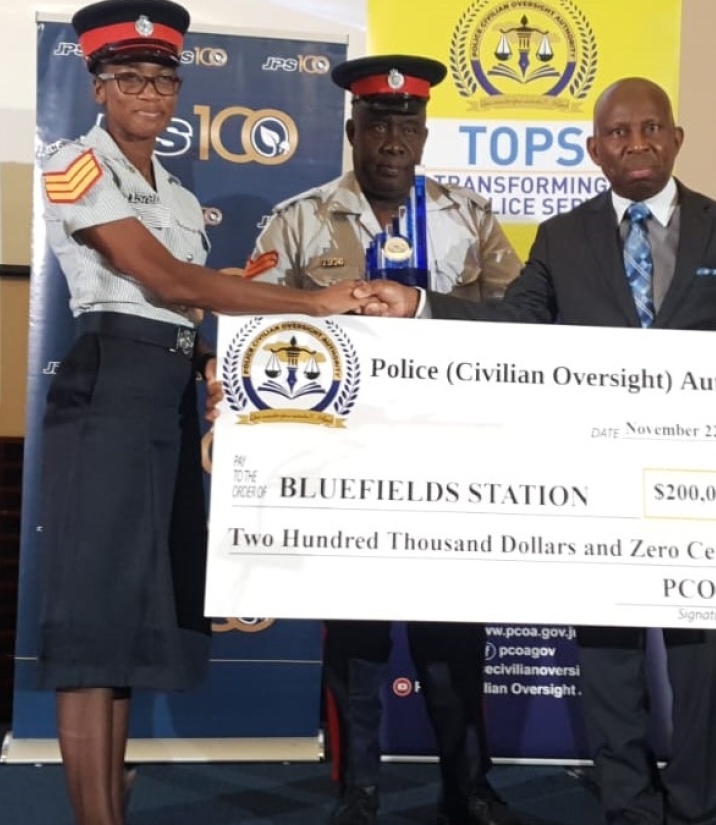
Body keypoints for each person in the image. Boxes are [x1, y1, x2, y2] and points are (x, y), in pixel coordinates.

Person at [363, 77, 716, 825]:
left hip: (703, 483)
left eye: (651, 128)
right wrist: (420, 304)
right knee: (609, 660)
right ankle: (628, 806)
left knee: (703, 657)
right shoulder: (563, 236)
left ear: (676, 138)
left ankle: (698, 804)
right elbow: (515, 324)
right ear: (595, 149)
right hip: (598, 484)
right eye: (619, 132)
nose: (637, 143)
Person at [37, 3, 371, 824]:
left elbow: (184, 307)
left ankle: (107, 798)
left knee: (128, 618)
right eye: (130, 78)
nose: (150, 92)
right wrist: (314, 301)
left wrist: (212, 342)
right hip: (107, 393)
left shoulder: (180, 194)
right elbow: (171, 283)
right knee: (92, 628)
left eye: (163, 78)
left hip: (163, 395)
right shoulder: (71, 164)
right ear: (98, 86)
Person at [242, 54, 522, 825]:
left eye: (407, 124)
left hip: (451, 459)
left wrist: (427, 304)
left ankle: (469, 784)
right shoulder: (297, 220)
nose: (393, 138)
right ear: (351, 130)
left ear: (424, 134)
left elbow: (522, 325)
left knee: (454, 635)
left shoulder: (472, 218)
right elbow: (249, 325)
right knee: (357, 637)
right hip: (341, 460)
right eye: (378, 124)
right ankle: (357, 788)